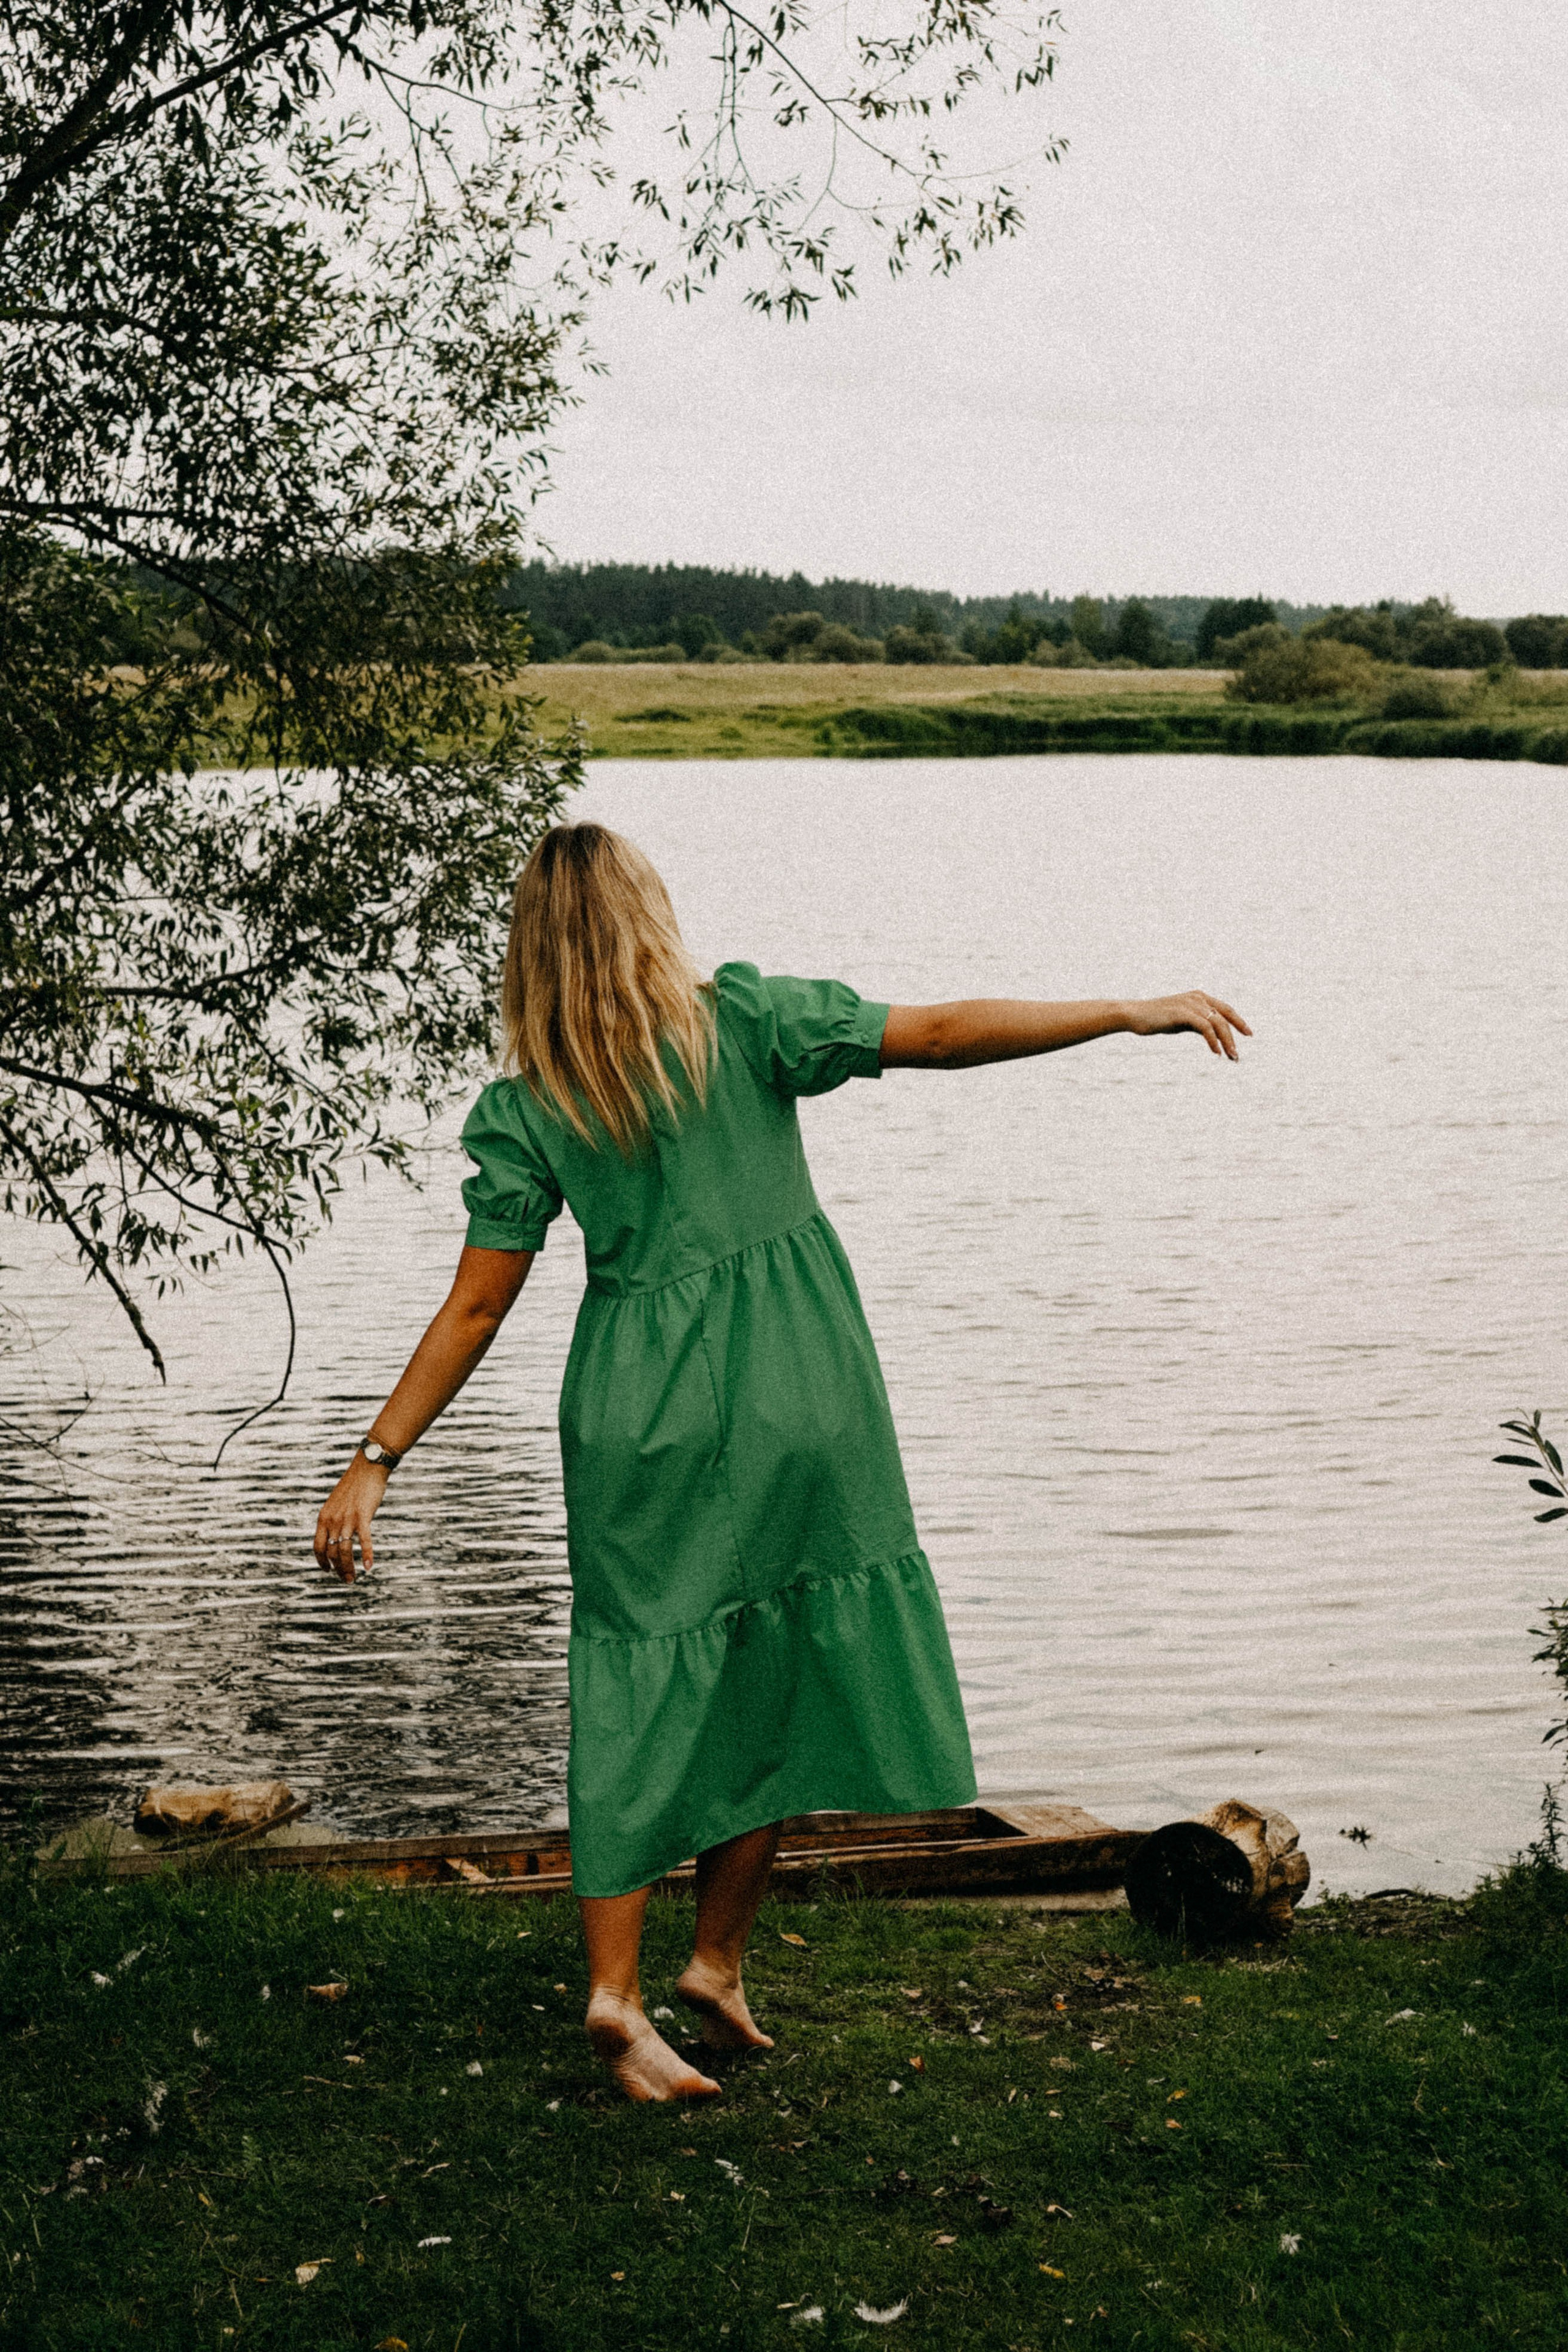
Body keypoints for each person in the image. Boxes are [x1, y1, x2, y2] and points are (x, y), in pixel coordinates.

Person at [314, 821, 1249, 2102]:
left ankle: (646, 1986)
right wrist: (1120, 1011)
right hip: (795, 1385)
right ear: (649, 913)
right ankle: (698, 1965)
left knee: (642, 1682)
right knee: (779, 1668)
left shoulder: (528, 1108)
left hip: (638, 1411)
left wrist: (375, 1458)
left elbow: (475, 1308)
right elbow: (935, 1032)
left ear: (527, 951)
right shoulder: (745, 1024)